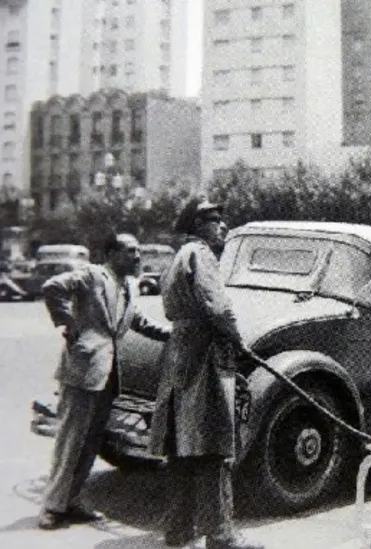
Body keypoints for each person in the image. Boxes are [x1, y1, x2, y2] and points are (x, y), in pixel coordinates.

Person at [149, 197, 263, 549]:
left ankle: (178, 531)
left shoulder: (177, 258)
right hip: (206, 357)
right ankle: (221, 535)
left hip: (181, 356)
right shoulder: (202, 256)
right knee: (213, 448)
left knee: (182, 450)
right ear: (199, 226)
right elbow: (218, 307)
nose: (224, 227)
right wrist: (239, 340)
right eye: (216, 220)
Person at [38, 233, 172, 530]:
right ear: (112, 254)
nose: (137, 257)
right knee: (71, 441)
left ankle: (71, 502)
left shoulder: (128, 286)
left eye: (139, 251)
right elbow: (53, 287)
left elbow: (137, 322)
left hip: (107, 377)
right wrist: (69, 324)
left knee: (90, 443)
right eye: (131, 251)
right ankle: (51, 506)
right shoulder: (93, 275)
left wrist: (174, 335)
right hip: (83, 372)